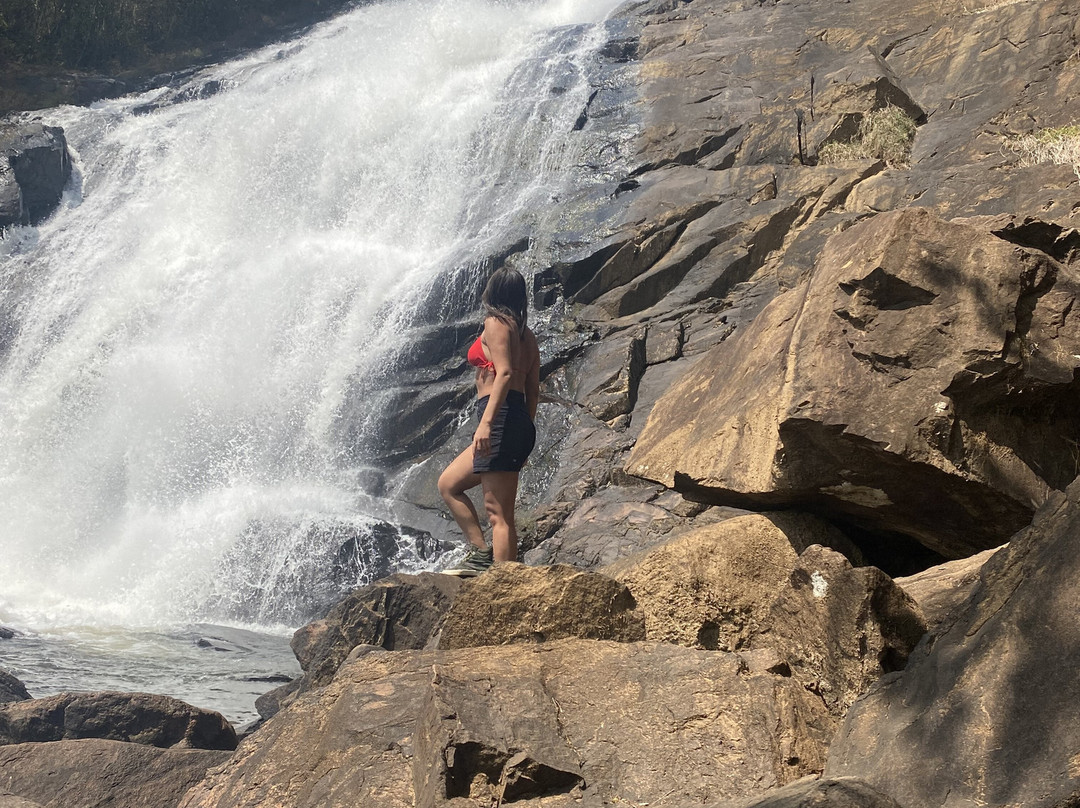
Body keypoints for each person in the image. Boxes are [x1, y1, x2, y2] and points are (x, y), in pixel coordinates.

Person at [438, 266, 540, 576]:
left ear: (493, 292)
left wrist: (486, 423)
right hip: (516, 419)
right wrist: (523, 436)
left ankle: (502, 584)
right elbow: (533, 390)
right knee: (449, 484)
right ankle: (482, 554)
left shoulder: (495, 323)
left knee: (499, 515)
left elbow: (505, 373)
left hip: (499, 418)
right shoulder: (527, 336)